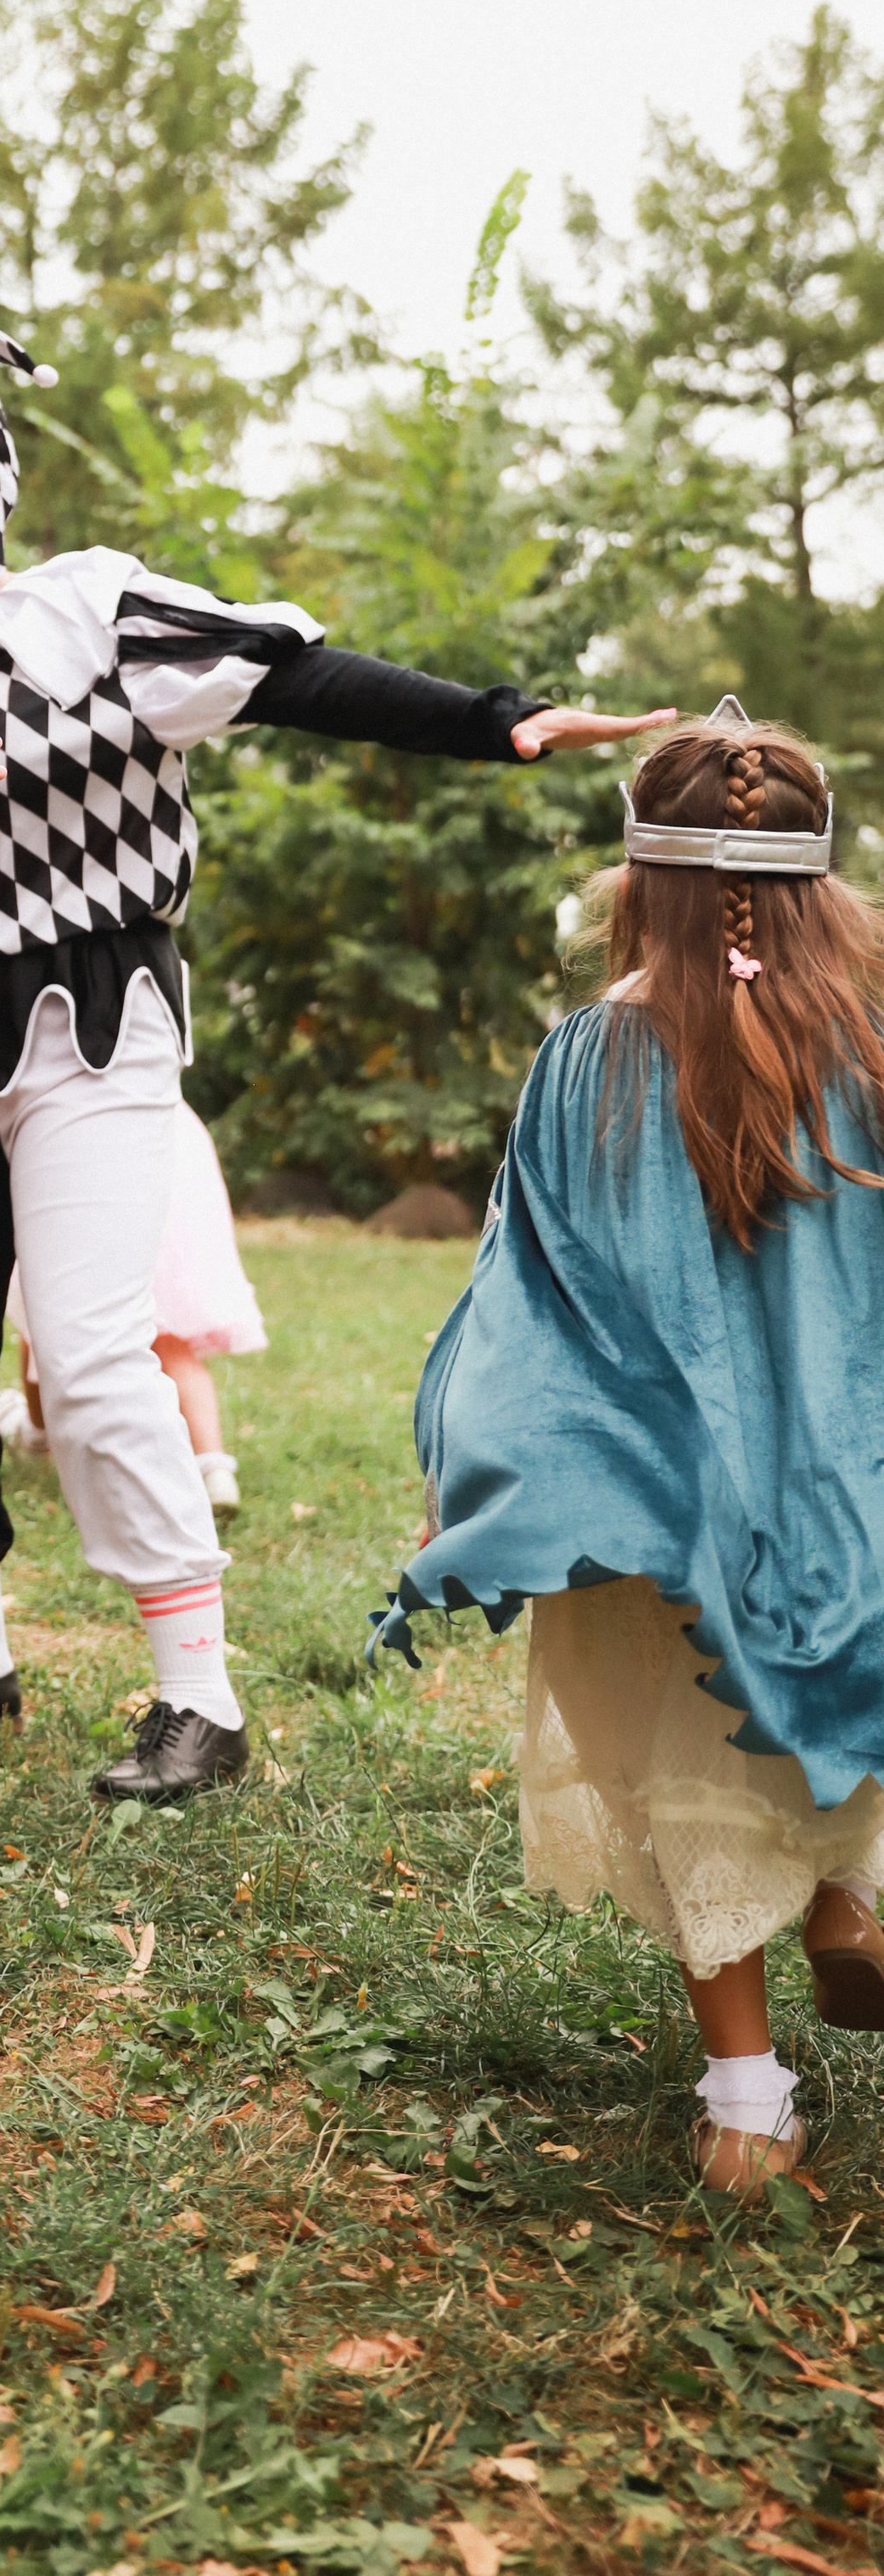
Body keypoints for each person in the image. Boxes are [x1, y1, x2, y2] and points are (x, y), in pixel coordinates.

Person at [0, 297, 673, 1806]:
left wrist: (498, 725)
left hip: (88, 1029)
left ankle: (199, 1699)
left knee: (96, 1357)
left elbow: (300, 680)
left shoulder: (94, 614)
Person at [375, 703, 884, 2196]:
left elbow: (528, 1291)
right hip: (843, 1488)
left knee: (687, 1768)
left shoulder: (588, 1060)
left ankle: (743, 2104)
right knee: (838, 1698)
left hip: (654, 1498)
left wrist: (478, 1482)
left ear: (638, 889)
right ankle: (851, 1900)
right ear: (822, 885)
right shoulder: (873, 1037)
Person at [0, 1097, 265, 1519]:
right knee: (169, 1337)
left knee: (46, 1310)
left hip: (89, 1143)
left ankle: (35, 1434)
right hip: (169, 1136)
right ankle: (213, 1468)